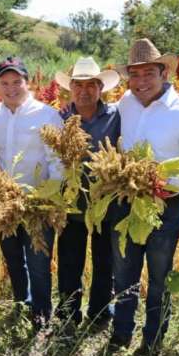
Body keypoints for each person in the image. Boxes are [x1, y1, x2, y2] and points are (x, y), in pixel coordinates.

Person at [110, 38, 179, 354]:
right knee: (124, 273)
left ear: (164, 73)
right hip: (124, 203)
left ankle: (152, 340)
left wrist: (158, 181)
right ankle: (120, 334)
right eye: (135, 75)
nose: (141, 82)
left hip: (165, 207)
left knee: (160, 276)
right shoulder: (123, 105)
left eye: (148, 74)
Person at [0, 56, 64, 326]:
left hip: (37, 203)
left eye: (17, 82)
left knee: (39, 262)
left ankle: (42, 315)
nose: (11, 88)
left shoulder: (47, 115)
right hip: (6, 203)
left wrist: (51, 200)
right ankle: (22, 303)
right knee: (13, 259)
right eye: (4, 82)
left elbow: (57, 162)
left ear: (28, 83)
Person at [54, 57, 120, 332]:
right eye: (78, 85)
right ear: (70, 88)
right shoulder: (59, 119)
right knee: (70, 262)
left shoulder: (117, 115)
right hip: (71, 204)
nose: (84, 91)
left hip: (107, 204)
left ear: (100, 87)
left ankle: (101, 313)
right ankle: (69, 314)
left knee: (105, 262)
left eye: (90, 85)